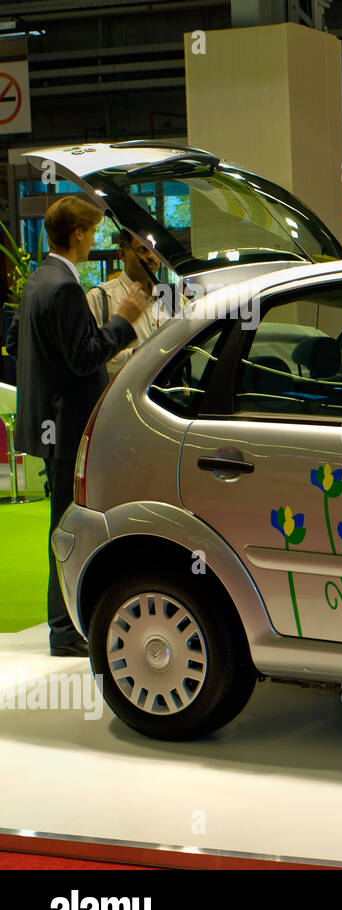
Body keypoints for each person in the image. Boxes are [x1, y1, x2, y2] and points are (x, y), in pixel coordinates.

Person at [3, 196, 145, 656]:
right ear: (79, 234)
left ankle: (65, 625)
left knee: (64, 522)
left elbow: (13, 342)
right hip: (67, 427)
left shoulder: (39, 281)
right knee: (67, 527)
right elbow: (85, 357)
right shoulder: (63, 287)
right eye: (95, 232)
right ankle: (64, 631)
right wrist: (125, 322)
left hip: (49, 423)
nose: (97, 241)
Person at [87, 231, 167, 377]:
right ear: (122, 254)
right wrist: (144, 355)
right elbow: (92, 358)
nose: (151, 256)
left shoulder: (173, 298)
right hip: (122, 396)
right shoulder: (100, 298)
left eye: (155, 250)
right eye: (142, 250)